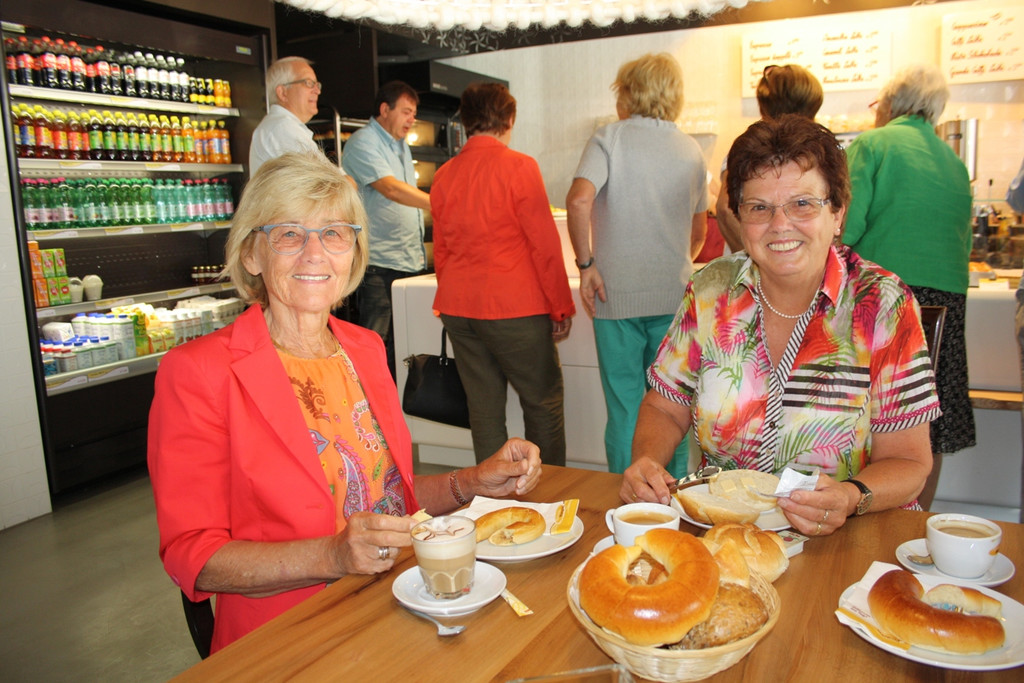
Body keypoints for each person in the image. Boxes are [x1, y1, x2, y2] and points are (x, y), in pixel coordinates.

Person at [148, 152, 542, 653]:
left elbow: (387, 499)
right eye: (289, 234)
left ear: (353, 253)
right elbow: (193, 556)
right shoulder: (198, 372)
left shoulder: (364, 348)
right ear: (251, 254)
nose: (315, 253)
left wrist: (472, 482)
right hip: (285, 640)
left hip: (396, 605)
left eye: (334, 233)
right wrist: (331, 556)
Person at [621, 115, 940, 539]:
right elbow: (665, 406)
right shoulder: (710, 291)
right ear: (739, 218)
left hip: (849, 539)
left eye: (802, 203)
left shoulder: (883, 304)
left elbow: (910, 462)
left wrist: (850, 497)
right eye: (759, 208)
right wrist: (647, 461)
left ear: (838, 213)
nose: (780, 224)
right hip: (727, 535)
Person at [565, 53, 707, 476]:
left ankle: (623, 496)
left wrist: (586, 265)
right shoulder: (691, 149)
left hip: (615, 295)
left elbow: (578, 201)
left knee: (625, 405)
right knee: (671, 406)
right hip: (674, 298)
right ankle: (672, 492)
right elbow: (699, 231)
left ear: (629, 93)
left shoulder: (609, 138)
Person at [843, 64, 975, 511]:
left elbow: (844, 227)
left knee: (863, 411)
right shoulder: (954, 161)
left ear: (889, 104)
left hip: (883, 297)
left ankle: (857, 505)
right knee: (926, 419)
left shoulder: (873, 144)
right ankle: (914, 518)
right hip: (947, 299)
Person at [431, 82, 575, 466]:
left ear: (465, 121)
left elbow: (441, 250)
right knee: (542, 401)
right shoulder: (520, 167)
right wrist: (560, 307)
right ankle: (548, 489)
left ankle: (492, 493)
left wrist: (451, 296)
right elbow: (544, 245)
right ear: (509, 119)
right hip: (515, 307)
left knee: (484, 409)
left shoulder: (444, 175)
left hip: (459, 308)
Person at [342, 81, 432, 378]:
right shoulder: (363, 141)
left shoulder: (401, 146)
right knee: (375, 341)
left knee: (406, 341)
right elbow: (390, 189)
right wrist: (440, 204)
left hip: (408, 260)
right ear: (384, 109)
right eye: (406, 112)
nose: (411, 119)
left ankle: (398, 400)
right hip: (379, 264)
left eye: (414, 114)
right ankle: (370, 402)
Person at [716, 64, 824, 253]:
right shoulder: (822, 150)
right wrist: (759, 258)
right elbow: (726, 209)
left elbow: (725, 210)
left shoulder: (750, 148)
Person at [249, 57, 324, 175]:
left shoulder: (282, 126)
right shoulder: (282, 127)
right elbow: (324, 181)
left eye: (317, 85)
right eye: (308, 83)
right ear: (282, 93)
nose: (317, 91)